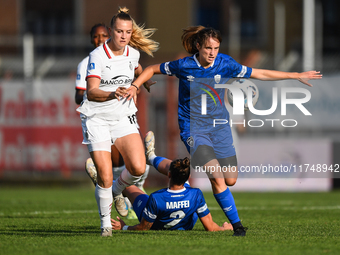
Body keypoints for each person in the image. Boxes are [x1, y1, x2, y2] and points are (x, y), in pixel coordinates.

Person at [122, 26, 322, 236]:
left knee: (230, 179)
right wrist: (135, 86)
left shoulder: (225, 63)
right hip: (193, 128)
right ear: (198, 46)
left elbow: (259, 73)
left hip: (219, 128)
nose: (212, 53)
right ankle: (238, 226)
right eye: (208, 48)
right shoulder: (185, 65)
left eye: (216, 48)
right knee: (216, 176)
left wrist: (295, 75)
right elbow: (152, 68)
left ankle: (151, 158)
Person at [76, 7, 159, 237]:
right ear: (111, 31)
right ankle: (105, 226)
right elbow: (91, 92)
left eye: (128, 32)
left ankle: (115, 191)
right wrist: (113, 93)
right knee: (104, 174)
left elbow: (138, 69)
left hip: (122, 117)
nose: (124, 36)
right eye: (120, 31)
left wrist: (143, 83)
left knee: (138, 168)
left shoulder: (132, 54)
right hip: (97, 118)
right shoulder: (97, 56)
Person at [111, 157, 233, 232]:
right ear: (187, 178)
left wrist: (124, 227)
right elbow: (211, 228)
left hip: (155, 223)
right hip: (186, 225)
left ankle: (105, 181)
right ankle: (151, 156)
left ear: (169, 175)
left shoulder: (156, 197)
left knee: (125, 186)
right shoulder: (196, 194)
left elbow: (144, 227)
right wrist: (225, 228)